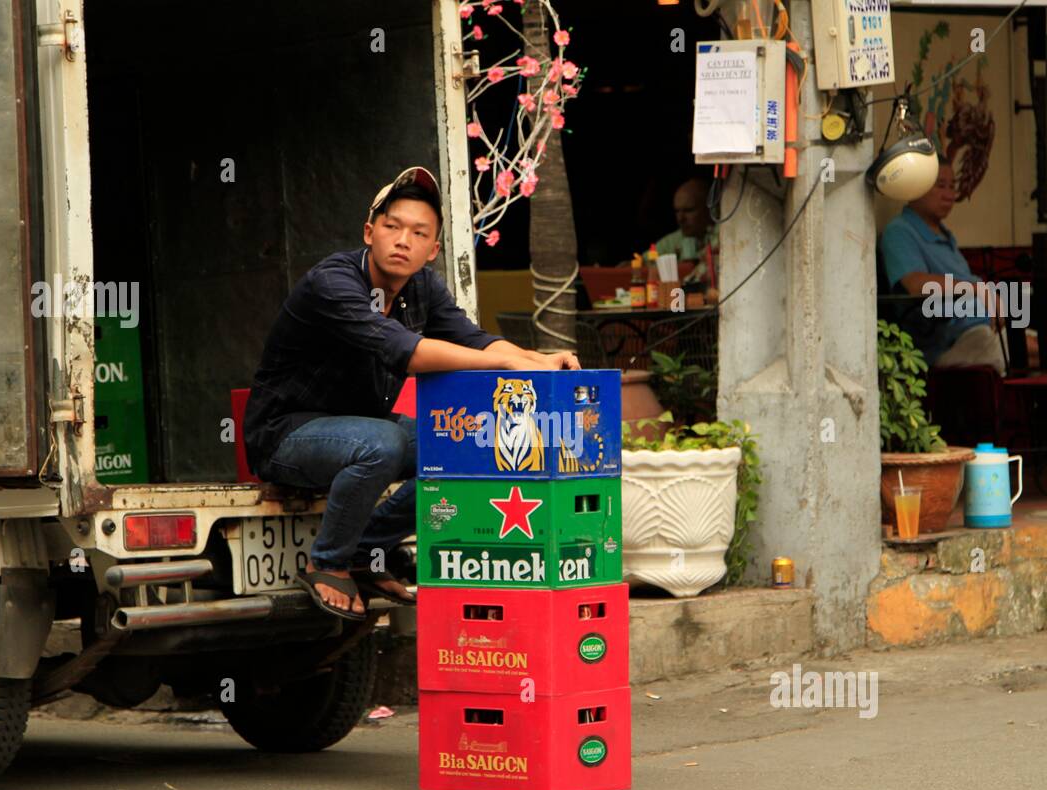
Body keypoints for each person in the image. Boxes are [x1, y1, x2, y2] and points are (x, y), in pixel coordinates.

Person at [244, 167, 579, 621]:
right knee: (385, 443)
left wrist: (537, 358)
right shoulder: (334, 283)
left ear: (433, 248)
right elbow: (408, 353)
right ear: (369, 231)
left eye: (418, 233)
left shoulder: (422, 287)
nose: (403, 240)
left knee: (466, 448)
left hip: (360, 429)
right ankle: (328, 562)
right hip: (285, 435)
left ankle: (368, 549)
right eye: (392, 226)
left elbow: (472, 339)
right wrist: (505, 362)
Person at [881, 164, 1047, 370]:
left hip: (985, 322)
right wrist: (977, 289)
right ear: (916, 187)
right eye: (939, 185)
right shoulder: (899, 231)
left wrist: (991, 297)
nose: (949, 194)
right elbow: (913, 284)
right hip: (946, 338)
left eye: (952, 186)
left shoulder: (945, 235)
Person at [655, 178, 719, 283]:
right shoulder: (674, 240)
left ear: (709, 209)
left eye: (689, 210)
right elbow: (645, 260)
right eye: (677, 211)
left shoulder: (725, 236)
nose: (680, 219)